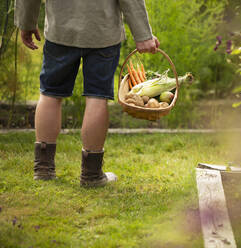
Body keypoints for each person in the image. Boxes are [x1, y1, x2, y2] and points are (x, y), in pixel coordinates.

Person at [14, 0, 160, 187]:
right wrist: (143, 35)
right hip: (102, 31)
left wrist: (26, 22)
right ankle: (91, 175)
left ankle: (43, 169)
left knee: (50, 93)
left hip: (61, 30)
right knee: (97, 96)